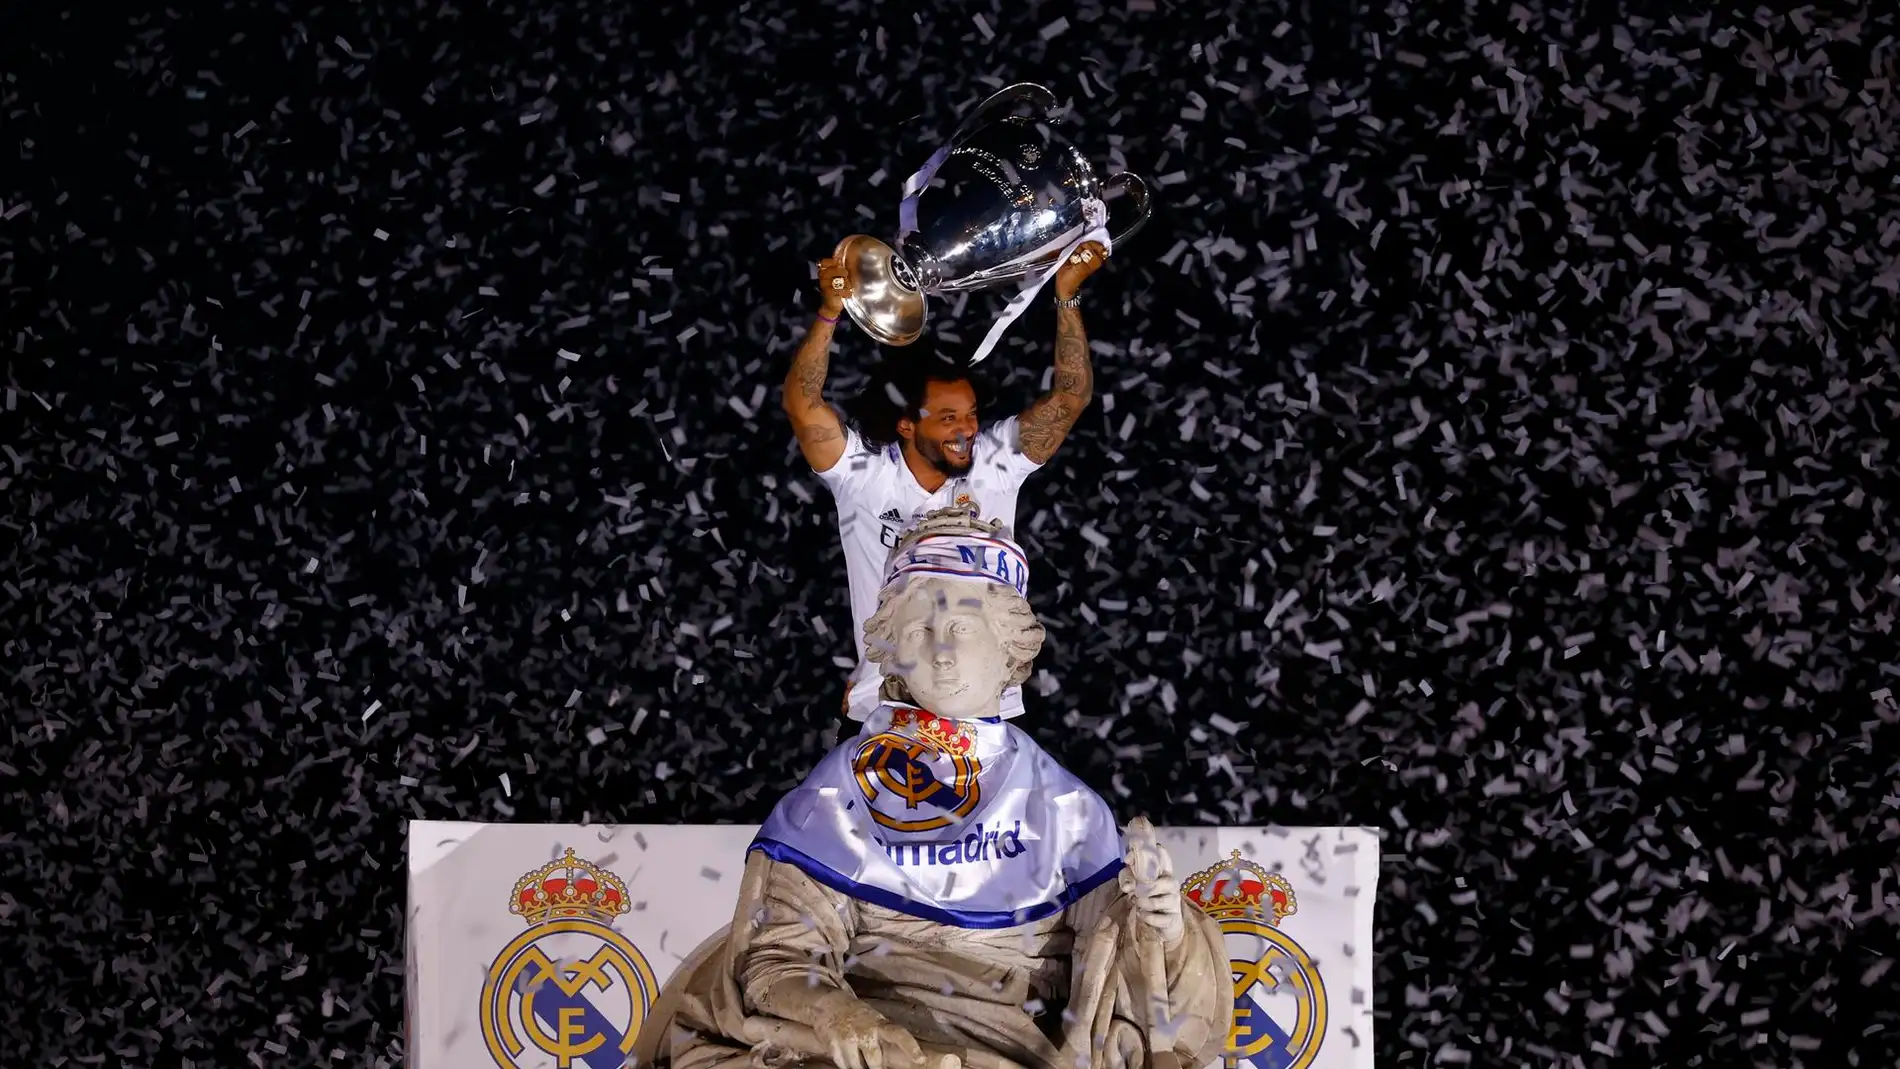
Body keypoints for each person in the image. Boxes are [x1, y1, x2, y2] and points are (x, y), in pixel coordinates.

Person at [630, 506, 1228, 1069]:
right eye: (918, 631)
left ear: (1010, 650)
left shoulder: (1067, 809)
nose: (940, 653)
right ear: (894, 653)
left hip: (1011, 1052)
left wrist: (1165, 928)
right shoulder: (836, 794)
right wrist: (838, 1014)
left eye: (961, 626)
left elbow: (1128, 990)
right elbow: (779, 958)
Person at [782, 241, 1110, 723]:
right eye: (949, 417)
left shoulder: (995, 462)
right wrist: (830, 313)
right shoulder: (865, 475)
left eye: (972, 414)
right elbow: (802, 405)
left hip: (984, 708)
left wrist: (1067, 294)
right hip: (888, 708)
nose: (967, 429)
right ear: (907, 424)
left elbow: (1069, 398)